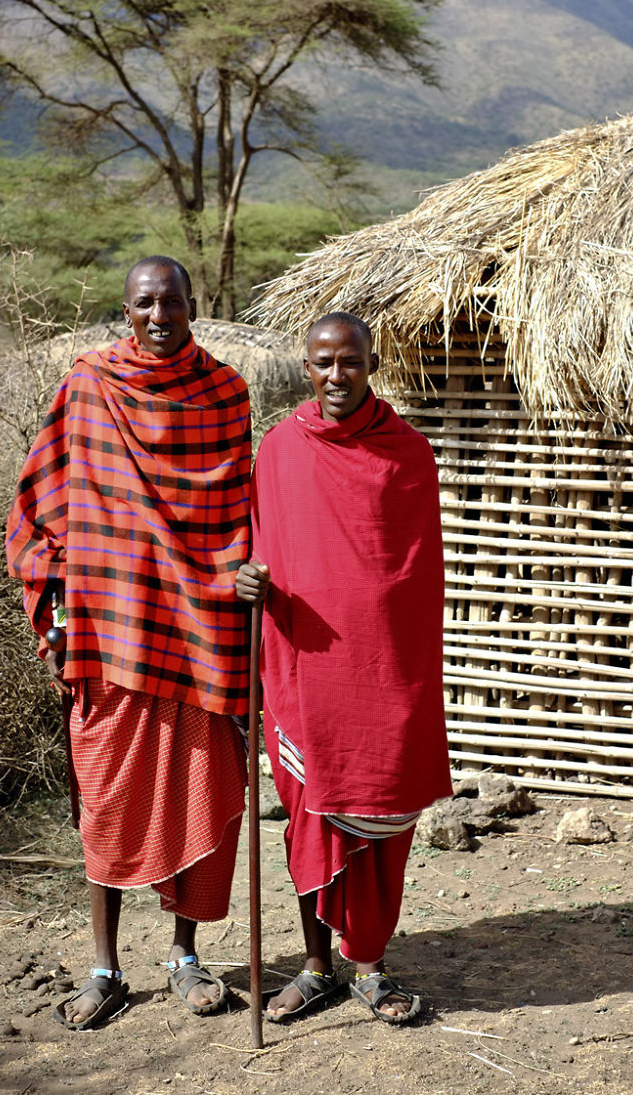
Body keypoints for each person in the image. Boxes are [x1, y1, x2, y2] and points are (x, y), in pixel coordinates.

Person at [6, 256, 251, 1030]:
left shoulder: (224, 393)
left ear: (192, 306)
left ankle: (184, 957)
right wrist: (57, 584)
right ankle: (105, 965)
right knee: (108, 799)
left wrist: (246, 577)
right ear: (126, 309)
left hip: (199, 631)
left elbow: (243, 506)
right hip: (112, 630)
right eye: (144, 303)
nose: (158, 315)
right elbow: (38, 499)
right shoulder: (88, 386)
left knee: (203, 792)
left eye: (171, 302)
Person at [236, 311, 451, 1026]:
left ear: (372, 364)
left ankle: (371, 965)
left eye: (350, 362)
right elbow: (264, 548)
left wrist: (402, 668)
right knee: (308, 818)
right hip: (304, 668)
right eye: (323, 362)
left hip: (382, 670)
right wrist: (250, 584)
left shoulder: (407, 454)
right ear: (307, 367)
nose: (336, 376)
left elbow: (419, 580)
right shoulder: (280, 451)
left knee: (382, 811)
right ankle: (317, 964)